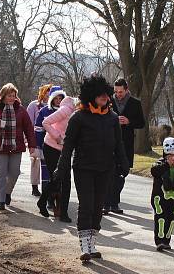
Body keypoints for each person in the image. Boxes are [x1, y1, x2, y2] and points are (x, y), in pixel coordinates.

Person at [52, 75, 128, 262]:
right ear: (91, 95)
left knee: (97, 207)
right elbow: (68, 146)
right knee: (86, 205)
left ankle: (92, 243)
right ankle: (85, 247)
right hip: (83, 168)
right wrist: (61, 169)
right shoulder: (78, 117)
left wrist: (123, 163)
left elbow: (119, 144)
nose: (104, 97)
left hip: (105, 169)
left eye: (106, 94)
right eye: (100, 94)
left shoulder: (112, 118)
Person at [0, 84, 36, 211]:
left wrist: (32, 145)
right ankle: (0, 200)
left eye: (14, 95)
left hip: (16, 146)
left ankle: (7, 192)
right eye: (9, 95)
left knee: (14, 172)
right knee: (0, 173)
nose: (12, 98)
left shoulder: (21, 110)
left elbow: (28, 128)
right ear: (3, 95)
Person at [107, 78, 145, 214]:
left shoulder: (135, 103)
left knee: (122, 173)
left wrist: (129, 121)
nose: (118, 94)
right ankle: (108, 203)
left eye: (121, 92)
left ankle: (114, 202)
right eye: (116, 92)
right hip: (110, 142)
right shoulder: (108, 102)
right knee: (109, 173)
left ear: (126, 89)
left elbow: (141, 123)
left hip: (126, 143)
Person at [150, 137, 174, 251]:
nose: (172, 158)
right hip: (160, 197)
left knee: (171, 218)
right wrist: (167, 164)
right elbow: (154, 171)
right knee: (161, 217)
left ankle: (167, 241)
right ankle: (159, 241)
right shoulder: (160, 164)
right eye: (169, 156)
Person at [41, 87, 74, 222]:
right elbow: (45, 122)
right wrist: (58, 137)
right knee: (57, 179)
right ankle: (44, 202)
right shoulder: (66, 110)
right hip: (51, 147)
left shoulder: (80, 112)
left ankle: (63, 213)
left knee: (66, 181)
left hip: (64, 150)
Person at [34, 85, 62, 215]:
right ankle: (47, 200)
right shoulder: (44, 111)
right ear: (51, 98)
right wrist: (38, 147)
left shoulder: (65, 111)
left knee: (58, 177)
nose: (58, 100)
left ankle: (55, 201)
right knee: (48, 176)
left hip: (62, 149)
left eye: (60, 97)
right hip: (47, 147)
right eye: (55, 98)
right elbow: (38, 129)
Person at [27, 84, 52, 197]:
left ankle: (48, 187)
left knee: (48, 165)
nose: (48, 94)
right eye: (47, 91)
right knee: (35, 163)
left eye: (50, 92)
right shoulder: (34, 105)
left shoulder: (55, 107)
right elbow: (28, 124)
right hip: (36, 139)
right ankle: (34, 186)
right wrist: (30, 140)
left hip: (50, 141)